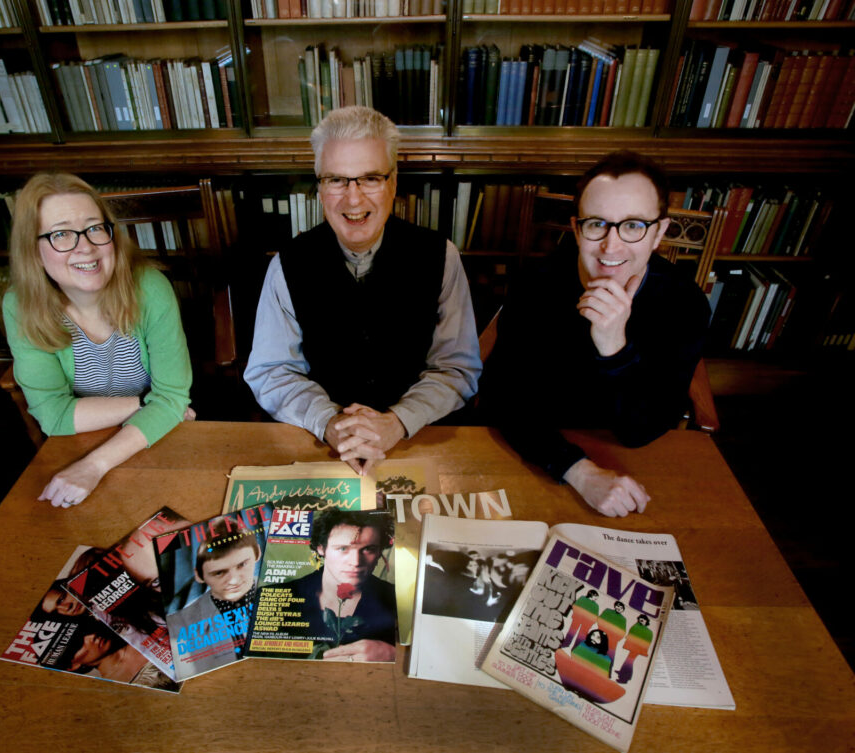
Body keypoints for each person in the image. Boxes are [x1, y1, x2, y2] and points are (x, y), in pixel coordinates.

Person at [244, 106, 481, 476]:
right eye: (337, 180)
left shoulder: (441, 256)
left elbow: (456, 368)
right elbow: (271, 371)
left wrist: (397, 421)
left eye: (370, 178)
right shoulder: (287, 263)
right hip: (322, 444)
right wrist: (330, 422)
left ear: (394, 182)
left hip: (418, 439)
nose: (353, 200)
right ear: (319, 187)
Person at [482, 150, 710, 517]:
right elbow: (503, 400)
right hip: (541, 451)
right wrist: (579, 471)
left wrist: (614, 347)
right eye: (597, 224)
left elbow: (642, 432)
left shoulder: (684, 303)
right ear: (576, 228)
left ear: (659, 233)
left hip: (626, 459)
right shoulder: (535, 285)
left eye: (634, 225)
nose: (611, 246)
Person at [3, 172, 193, 508]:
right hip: (82, 441)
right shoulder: (20, 306)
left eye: (94, 228)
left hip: (152, 439)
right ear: (33, 250)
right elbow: (53, 416)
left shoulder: (151, 289)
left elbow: (174, 397)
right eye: (61, 234)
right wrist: (149, 404)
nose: (86, 246)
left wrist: (94, 465)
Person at [278, 508, 396, 662]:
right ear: (321, 548)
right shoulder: (277, 595)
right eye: (342, 548)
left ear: (380, 551)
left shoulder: (394, 599)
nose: (355, 562)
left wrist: (391, 653)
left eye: (368, 549)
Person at [171, 523, 262, 676]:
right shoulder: (177, 626)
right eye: (219, 573)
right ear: (199, 576)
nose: (233, 580)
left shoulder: (292, 592)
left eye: (242, 565)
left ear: (257, 554)